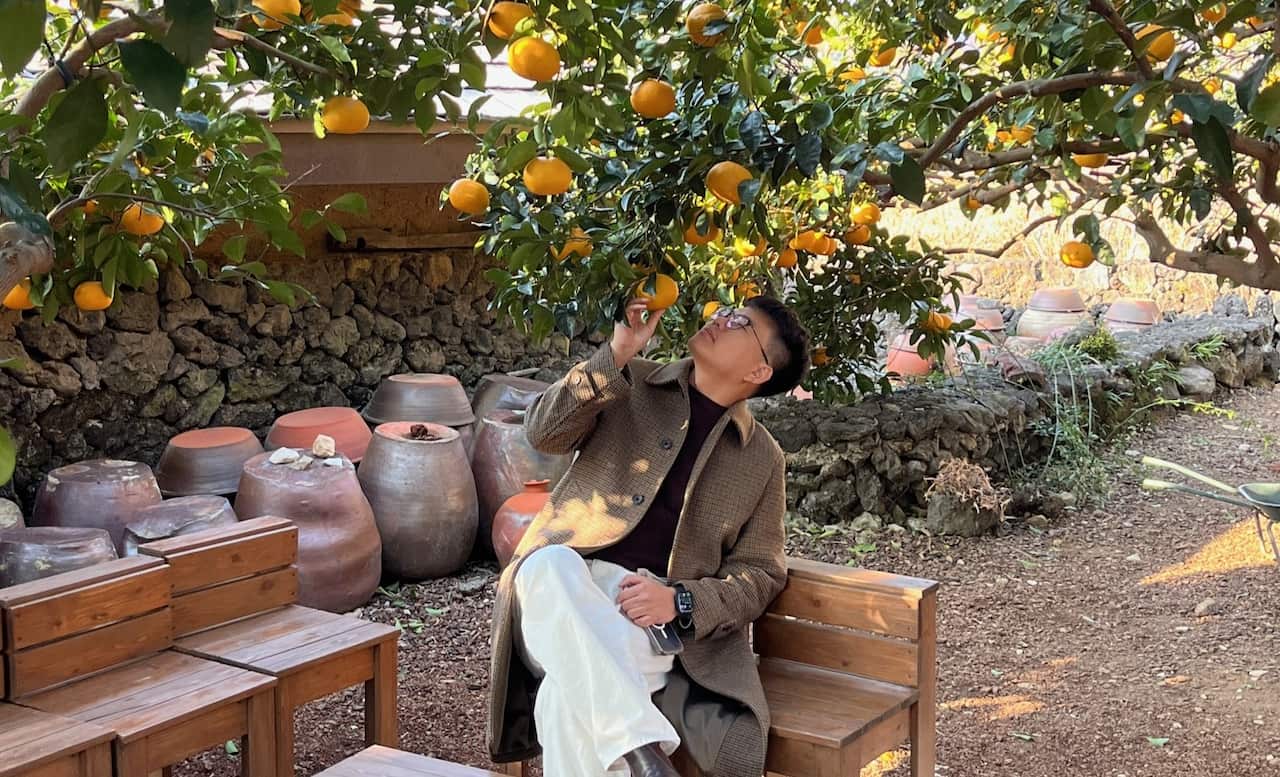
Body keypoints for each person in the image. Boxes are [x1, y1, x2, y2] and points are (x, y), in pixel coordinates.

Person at [487, 293, 811, 777]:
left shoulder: (760, 459)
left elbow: (760, 573)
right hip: (554, 593)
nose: (720, 318)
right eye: (726, 310)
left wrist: (680, 602)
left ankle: (640, 754)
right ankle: (644, 752)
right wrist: (615, 353)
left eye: (740, 322)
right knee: (547, 563)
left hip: (639, 615)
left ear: (759, 372)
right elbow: (543, 434)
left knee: (564, 699)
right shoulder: (628, 381)